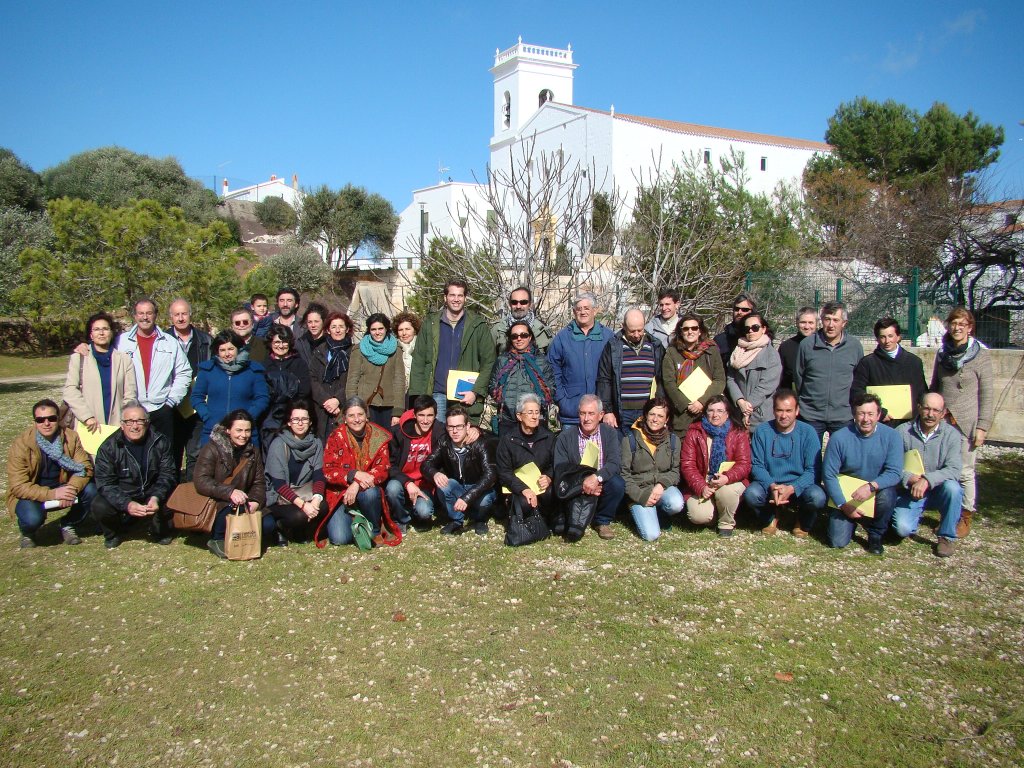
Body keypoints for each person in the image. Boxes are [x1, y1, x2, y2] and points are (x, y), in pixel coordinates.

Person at [930, 307, 993, 539]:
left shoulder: (981, 356)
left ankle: (965, 515)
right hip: (943, 421)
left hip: (967, 423)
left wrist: (982, 426)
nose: (957, 328)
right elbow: (935, 385)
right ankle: (948, 512)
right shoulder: (942, 354)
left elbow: (987, 394)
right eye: (954, 324)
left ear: (970, 327)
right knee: (944, 470)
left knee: (965, 472)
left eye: (962, 324)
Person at [7, 398, 96, 548]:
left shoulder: (71, 437)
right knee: (32, 518)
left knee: (93, 491)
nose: (46, 423)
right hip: (33, 492)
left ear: (59, 419)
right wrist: (54, 494)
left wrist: (71, 489)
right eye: (41, 420)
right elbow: (18, 486)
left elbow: (85, 467)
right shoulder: (21, 444)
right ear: (35, 422)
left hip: (65, 487)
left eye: (51, 418)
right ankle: (28, 532)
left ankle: (68, 523)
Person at [823, 393, 902, 555]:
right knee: (837, 542)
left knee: (887, 495)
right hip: (847, 496)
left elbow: (894, 473)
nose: (866, 419)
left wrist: (871, 486)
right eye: (861, 413)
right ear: (854, 414)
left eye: (871, 414)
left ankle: (876, 534)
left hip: (877, 491)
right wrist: (843, 505)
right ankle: (853, 520)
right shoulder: (839, 438)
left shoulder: (892, 436)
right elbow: (829, 474)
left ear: (879, 415)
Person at [91, 400, 177, 549]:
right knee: (99, 506)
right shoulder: (108, 447)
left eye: (139, 421)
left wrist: (156, 497)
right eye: (129, 421)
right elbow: (105, 483)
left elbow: (168, 474)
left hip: (151, 491)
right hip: (124, 492)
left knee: (175, 497)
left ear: (147, 422)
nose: (135, 426)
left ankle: (158, 527)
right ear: (122, 424)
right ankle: (113, 533)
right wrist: (127, 504)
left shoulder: (160, 442)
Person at [409, 279, 495, 424]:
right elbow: (419, 360)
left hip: (464, 394)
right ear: (445, 297)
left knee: (461, 439)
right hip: (437, 392)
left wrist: (476, 392)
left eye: (460, 296)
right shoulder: (430, 324)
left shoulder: (478, 325)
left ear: (465, 298)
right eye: (452, 295)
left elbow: (489, 362)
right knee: (439, 438)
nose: (456, 299)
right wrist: (418, 397)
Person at [743, 389, 826, 537]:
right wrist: (772, 485)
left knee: (817, 497)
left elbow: (813, 470)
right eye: (779, 410)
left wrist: (793, 487)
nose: (784, 415)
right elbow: (756, 465)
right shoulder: (762, 431)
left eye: (788, 410)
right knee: (752, 494)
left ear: (797, 410)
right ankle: (770, 517)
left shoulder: (808, 432)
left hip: (799, 483)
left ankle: (803, 519)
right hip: (771, 483)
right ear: (773, 410)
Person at [892, 393, 964, 558]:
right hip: (910, 490)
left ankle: (946, 536)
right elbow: (890, 466)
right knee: (902, 529)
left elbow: (954, 469)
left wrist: (927, 480)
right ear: (919, 408)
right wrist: (907, 477)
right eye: (927, 408)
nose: (930, 414)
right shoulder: (902, 432)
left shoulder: (952, 435)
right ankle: (912, 514)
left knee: (954, 489)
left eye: (936, 410)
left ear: (943, 413)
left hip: (939, 489)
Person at [113, 297, 192, 446]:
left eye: (149, 313)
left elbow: (184, 372)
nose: (144, 317)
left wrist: (171, 401)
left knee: (163, 455)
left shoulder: (169, 342)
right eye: (140, 313)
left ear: (155, 315)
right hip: (132, 410)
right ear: (135, 316)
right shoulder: (121, 342)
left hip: (161, 408)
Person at [194, 409, 272, 558]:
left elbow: (259, 482)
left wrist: (255, 501)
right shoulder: (211, 449)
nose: (243, 435)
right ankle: (217, 539)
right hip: (218, 501)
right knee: (228, 511)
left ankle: (241, 536)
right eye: (239, 430)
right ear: (228, 430)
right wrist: (229, 492)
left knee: (268, 525)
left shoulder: (253, 452)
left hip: (244, 501)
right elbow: (201, 480)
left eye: (247, 431)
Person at [321, 397, 393, 547]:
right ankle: (355, 519)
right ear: (345, 419)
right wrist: (353, 474)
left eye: (360, 414)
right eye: (351, 416)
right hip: (340, 494)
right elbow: (329, 470)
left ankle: (374, 529)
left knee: (371, 493)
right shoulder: (336, 437)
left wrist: (356, 483)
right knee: (340, 539)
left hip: (366, 490)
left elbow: (383, 468)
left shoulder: (378, 436)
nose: (357, 419)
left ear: (366, 416)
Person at [552, 394, 626, 540]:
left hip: (601, 480)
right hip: (575, 485)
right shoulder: (565, 437)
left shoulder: (610, 433)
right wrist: (582, 481)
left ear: (601, 415)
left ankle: (602, 521)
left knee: (617, 484)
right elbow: (560, 467)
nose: (586, 418)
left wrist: (596, 478)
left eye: (591, 413)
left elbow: (614, 462)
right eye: (582, 413)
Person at [680, 395, 751, 538]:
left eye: (720, 411)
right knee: (697, 516)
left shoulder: (738, 432)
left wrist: (727, 477)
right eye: (711, 411)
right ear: (705, 413)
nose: (715, 415)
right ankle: (715, 514)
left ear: (727, 413)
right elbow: (687, 465)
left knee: (726, 492)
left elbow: (744, 464)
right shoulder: (695, 432)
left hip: (729, 481)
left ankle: (726, 523)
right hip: (704, 482)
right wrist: (701, 487)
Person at [423, 404, 498, 536]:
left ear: (468, 426)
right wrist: (435, 473)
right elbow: (426, 464)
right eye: (451, 427)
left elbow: (490, 476)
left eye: (459, 426)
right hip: (458, 486)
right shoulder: (444, 443)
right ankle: (456, 520)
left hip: (478, 487)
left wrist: (466, 498)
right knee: (444, 484)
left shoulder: (480, 443)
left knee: (486, 499)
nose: (455, 431)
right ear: (446, 427)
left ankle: (480, 519)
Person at [794, 301, 863, 441]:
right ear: (822, 321)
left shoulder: (854, 346)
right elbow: (799, 377)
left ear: (844, 323)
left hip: (843, 415)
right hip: (811, 415)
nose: (831, 325)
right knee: (810, 460)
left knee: (842, 460)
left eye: (836, 320)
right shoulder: (807, 345)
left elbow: (858, 379)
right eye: (827, 319)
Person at [263, 400, 326, 546]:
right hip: (280, 498)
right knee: (299, 515)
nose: (300, 423)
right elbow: (278, 484)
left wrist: (315, 501)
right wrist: (304, 506)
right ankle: (281, 528)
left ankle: (300, 529)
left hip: (305, 492)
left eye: (304, 419)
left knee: (323, 506)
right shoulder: (278, 444)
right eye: (296, 419)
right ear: (289, 422)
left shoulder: (316, 444)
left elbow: (319, 475)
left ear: (310, 422)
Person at [191, 330, 270, 446]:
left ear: (238, 349)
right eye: (222, 350)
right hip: (214, 430)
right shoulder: (208, 370)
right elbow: (197, 397)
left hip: (244, 433)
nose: (227, 354)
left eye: (231, 349)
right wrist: (207, 416)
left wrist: (248, 417)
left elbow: (262, 398)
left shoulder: (253, 370)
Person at [62, 312, 137, 433]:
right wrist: (87, 417)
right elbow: (70, 391)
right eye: (96, 329)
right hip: (89, 425)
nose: (101, 333)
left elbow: (130, 394)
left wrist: (125, 419)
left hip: (117, 425)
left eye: (105, 329)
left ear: (111, 333)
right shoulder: (79, 358)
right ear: (91, 335)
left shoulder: (124, 359)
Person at [621, 397, 682, 542]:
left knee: (676, 503)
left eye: (660, 416)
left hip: (662, 488)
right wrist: (641, 496)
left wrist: (661, 485)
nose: (655, 419)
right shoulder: (629, 440)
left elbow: (675, 471)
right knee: (651, 535)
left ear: (666, 419)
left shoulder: (673, 441)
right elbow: (624, 475)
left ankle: (661, 514)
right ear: (645, 415)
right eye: (652, 414)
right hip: (640, 490)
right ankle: (638, 512)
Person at [597, 308, 664, 437]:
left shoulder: (655, 346)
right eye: (632, 331)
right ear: (623, 327)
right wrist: (607, 411)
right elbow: (604, 380)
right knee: (624, 453)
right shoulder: (613, 346)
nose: (637, 334)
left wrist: (660, 408)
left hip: (648, 412)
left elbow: (662, 380)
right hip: (622, 414)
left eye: (640, 330)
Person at [548, 292, 612, 427]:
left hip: (600, 412)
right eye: (579, 309)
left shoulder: (608, 337)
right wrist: (561, 400)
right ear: (574, 312)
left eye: (587, 308)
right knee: (571, 448)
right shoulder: (563, 338)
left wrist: (609, 407)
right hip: (571, 411)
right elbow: (552, 370)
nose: (583, 312)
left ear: (595, 311)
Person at [850, 318, 927, 427]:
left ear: (898, 337)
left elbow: (921, 393)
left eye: (890, 336)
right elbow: (857, 393)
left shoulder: (914, 362)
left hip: (909, 425)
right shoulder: (867, 363)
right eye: (882, 337)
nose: (887, 341)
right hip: (879, 424)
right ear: (877, 339)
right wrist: (880, 412)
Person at [497, 393, 558, 531]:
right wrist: (523, 489)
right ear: (519, 416)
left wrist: (549, 476)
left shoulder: (548, 437)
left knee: (553, 494)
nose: (535, 416)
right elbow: (504, 472)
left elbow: (556, 464)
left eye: (537, 412)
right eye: (530, 412)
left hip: (542, 485)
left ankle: (548, 519)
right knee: (525, 503)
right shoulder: (508, 440)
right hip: (518, 487)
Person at [166, 299, 211, 480]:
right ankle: (171, 498)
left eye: (184, 313)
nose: (181, 318)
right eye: (176, 314)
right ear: (170, 317)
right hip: (171, 406)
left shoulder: (206, 340)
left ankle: (192, 498)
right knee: (171, 454)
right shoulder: (163, 340)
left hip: (197, 406)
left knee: (195, 454)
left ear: (190, 315)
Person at [386, 396, 445, 530]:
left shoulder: (440, 431)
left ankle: (416, 510)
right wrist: (407, 482)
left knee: (424, 512)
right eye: (421, 415)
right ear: (414, 415)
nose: (425, 420)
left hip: (425, 484)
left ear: (435, 416)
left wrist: (475, 430)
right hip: (402, 481)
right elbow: (390, 465)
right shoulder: (398, 433)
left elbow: (459, 429)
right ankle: (401, 519)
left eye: (430, 415)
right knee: (392, 489)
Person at [663, 313, 726, 438]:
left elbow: (719, 380)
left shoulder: (711, 351)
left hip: (707, 413)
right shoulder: (672, 352)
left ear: (700, 331)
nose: (690, 332)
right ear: (680, 332)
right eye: (686, 329)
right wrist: (687, 404)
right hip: (681, 417)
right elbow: (668, 382)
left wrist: (701, 402)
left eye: (694, 328)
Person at [487, 320, 556, 434]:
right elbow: (492, 386)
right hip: (507, 419)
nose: (519, 339)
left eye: (524, 335)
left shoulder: (541, 361)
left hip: (534, 420)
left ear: (530, 337)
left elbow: (550, 389)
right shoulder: (502, 360)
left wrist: (533, 409)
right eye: (514, 336)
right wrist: (504, 401)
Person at [346, 313, 406, 430]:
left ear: (386, 329)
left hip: (389, 404)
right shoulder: (359, 350)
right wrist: (354, 409)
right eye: (373, 329)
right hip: (365, 405)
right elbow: (352, 381)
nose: (377, 332)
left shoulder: (396, 349)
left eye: (380, 328)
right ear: (369, 330)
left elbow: (399, 380)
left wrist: (398, 411)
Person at [726, 311, 782, 431]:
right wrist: (740, 401)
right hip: (738, 412)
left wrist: (747, 408)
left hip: (761, 415)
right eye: (747, 328)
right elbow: (730, 379)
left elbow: (766, 386)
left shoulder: (771, 355)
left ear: (763, 329)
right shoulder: (737, 352)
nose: (750, 331)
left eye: (755, 327)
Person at [261, 325, 312, 448]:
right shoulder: (264, 365)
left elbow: (304, 390)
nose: (281, 345)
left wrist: (279, 392)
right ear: (270, 343)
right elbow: (262, 391)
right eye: (277, 342)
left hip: (292, 414)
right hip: (270, 415)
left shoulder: (299, 364)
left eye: (284, 342)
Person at [309, 311, 354, 442]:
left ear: (347, 329)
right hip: (321, 407)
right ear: (328, 330)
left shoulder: (354, 352)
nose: (338, 330)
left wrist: (337, 400)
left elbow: (353, 380)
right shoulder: (319, 351)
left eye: (341, 326)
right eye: (334, 327)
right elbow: (312, 378)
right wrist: (326, 400)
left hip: (343, 406)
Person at [490, 286, 554, 355]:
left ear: (530, 304)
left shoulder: (542, 331)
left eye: (523, 302)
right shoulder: (498, 329)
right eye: (514, 302)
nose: (518, 306)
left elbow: (552, 361)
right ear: (510, 304)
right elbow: (489, 359)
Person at [777, 307, 817, 391]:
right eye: (803, 322)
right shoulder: (786, 347)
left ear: (816, 324)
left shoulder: (823, 346)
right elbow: (781, 378)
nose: (807, 326)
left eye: (811, 323)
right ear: (797, 323)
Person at [714, 293, 757, 367]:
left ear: (753, 312)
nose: (739, 312)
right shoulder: (720, 340)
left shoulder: (761, 339)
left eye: (744, 310)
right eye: (736, 309)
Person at [393, 310, 421, 396]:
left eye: (407, 329)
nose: (404, 333)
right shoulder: (393, 349)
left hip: (418, 393)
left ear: (414, 330)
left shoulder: (422, 347)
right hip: (399, 394)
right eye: (401, 330)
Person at [294, 302, 328, 367]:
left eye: (316, 321)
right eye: (310, 322)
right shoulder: (300, 344)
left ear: (323, 321)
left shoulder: (330, 342)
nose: (313, 325)